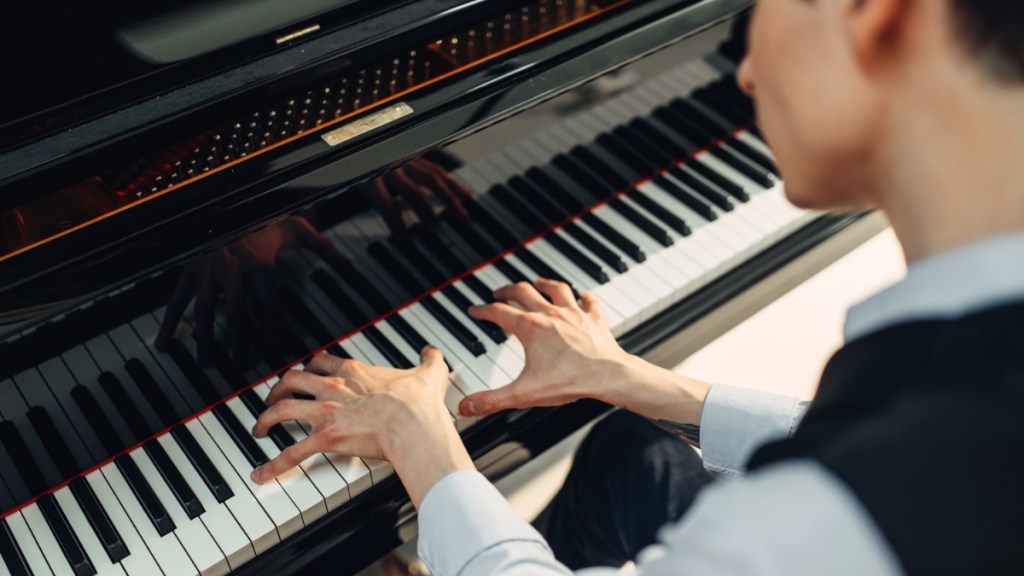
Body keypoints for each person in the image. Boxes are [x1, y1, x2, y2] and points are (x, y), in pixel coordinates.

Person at [250, 0, 1024, 573]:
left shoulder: (845, 518)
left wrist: (420, 441)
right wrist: (637, 382)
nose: (746, 68)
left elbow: (856, 484)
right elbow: (875, 434)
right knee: (635, 451)